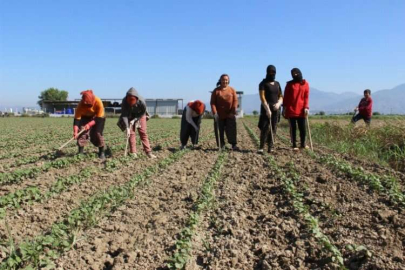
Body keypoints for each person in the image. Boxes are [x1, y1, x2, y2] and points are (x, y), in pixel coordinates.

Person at [117, 87, 156, 158]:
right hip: (129, 115)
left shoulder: (142, 101)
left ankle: (148, 152)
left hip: (140, 115)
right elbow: (124, 115)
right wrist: (127, 127)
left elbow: (142, 113)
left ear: (136, 99)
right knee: (131, 133)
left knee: (143, 132)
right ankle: (133, 152)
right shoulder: (124, 101)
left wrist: (135, 119)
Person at [73, 90, 106, 159]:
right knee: (81, 133)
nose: (88, 107)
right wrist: (75, 132)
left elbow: (98, 118)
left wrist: (89, 125)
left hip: (98, 117)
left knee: (98, 133)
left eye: (89, 105)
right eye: (86, 105)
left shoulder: (98, 102)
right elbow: (77, 120)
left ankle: (101, 152)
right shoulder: (80, 105)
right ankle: (80, 153)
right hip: (85, 117)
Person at [257, 65, 283, 153]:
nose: (272, 74)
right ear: (267, 72)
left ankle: (270, 146)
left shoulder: (277, 84)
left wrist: (279, 104)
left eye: (273, 72)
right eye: (270, 72)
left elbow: (280, 96)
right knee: (264, 127)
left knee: (274, 127)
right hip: (266, 109)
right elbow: (262, 97)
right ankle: (261, 147)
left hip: (276, 109)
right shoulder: (263, 83)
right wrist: (267, 109)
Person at [283, 68, 310, 151]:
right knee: (293, 128)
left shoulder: (305, 84)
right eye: (292, 73)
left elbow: (306, 97)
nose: (294, 75)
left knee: (302, 128)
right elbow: (286, 97)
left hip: (302, 110)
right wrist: (284, 108)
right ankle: (294, 144)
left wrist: (306, 107)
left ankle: (303, 144)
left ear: (299, 73)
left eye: (296, 73)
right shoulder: (289, 84)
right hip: (291, 109)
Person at [210, 74, 239, 150]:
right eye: (223, 80)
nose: (225, 81)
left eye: (226, 80)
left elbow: (235, 101)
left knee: (232, 130)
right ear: (220, 80)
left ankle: (233, 145)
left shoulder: (232, 90)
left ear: (228, 81)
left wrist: (233, 112)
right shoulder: (216, 91)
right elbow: (212, 102)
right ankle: (221, 145)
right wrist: (215, 113)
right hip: (219, 115)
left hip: (230, 114)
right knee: (219, 130)